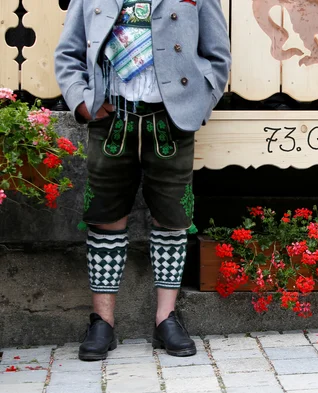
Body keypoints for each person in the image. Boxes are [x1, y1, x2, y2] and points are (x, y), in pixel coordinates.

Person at [54, 0, 231, 360]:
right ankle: (102, 322)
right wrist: (82, 102)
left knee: (172, 216)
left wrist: (200, 101)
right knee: (105, 215)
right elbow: (68, 53)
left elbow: (217, 54)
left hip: (172, 118)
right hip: (110, 115)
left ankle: (166, 319)